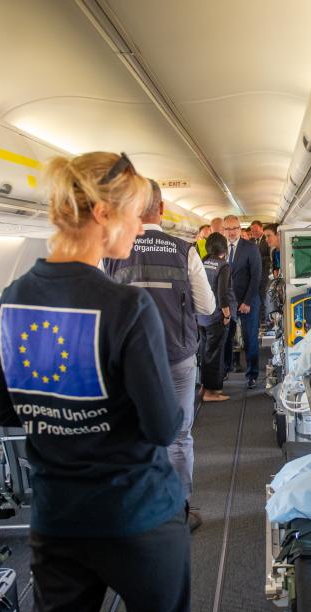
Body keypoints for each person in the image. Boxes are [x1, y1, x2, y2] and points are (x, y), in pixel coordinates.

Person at [0, 152, 190, 612]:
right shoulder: (126, 306)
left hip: (57, 516)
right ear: (103, 213)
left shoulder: (12, 297)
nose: (141, 228)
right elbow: (163, 427)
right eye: (136, 215)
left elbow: (5, 411)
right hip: (136, 513)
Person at [104, 180, 214, 531]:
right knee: (179, 436)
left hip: (130, 361)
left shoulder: (112, 252)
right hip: (177, 356)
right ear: (162, 209)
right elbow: (207, 307)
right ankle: (178, 511)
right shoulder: (184, 250)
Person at [221, 215, 262, 388]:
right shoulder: (220, 248)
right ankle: (224, 370)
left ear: (239, 229)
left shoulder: (250, 248)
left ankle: (252, 374)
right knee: (226, 338)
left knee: (250, 338)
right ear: (223, 230)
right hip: (227, 303)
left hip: (248, 300)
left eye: (234, 228)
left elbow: (256, 276)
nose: (231, 232)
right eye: (228, 229)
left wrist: (247, 302)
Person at [197, 232, 234, 402]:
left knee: (205, 352)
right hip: (216, 317)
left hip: (201, 317)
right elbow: (222, 294)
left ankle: (204, 386)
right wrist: (227, 315)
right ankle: (211, 392)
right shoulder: (223, 266)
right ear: (224, 248)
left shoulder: (202, 262)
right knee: (215, 355)